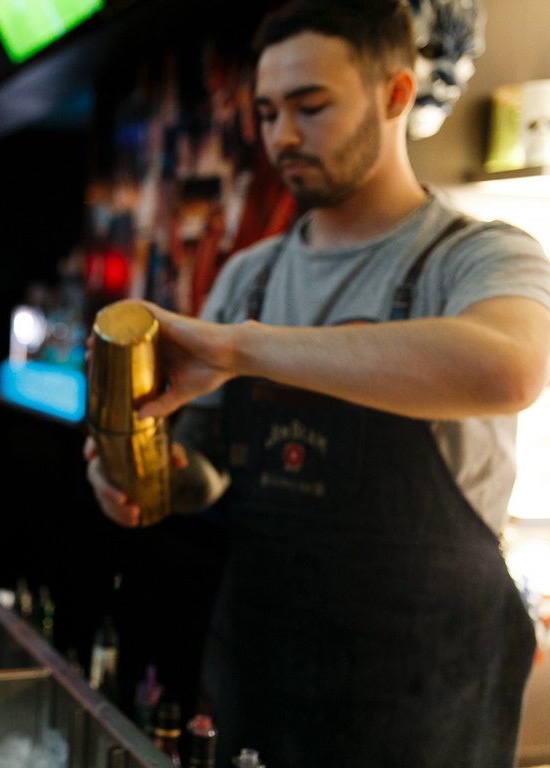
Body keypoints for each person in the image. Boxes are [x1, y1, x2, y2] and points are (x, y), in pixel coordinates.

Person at [84, 1, 550, 766]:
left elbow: (510, 368)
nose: (283, 137)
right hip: (260, 683)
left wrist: (244, 348)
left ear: (396, 95)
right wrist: (147, 474)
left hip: (425, 704)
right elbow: (207, 470)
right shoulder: (250, 277)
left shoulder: (477, 257)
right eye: (269, 113)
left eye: (311, 106)